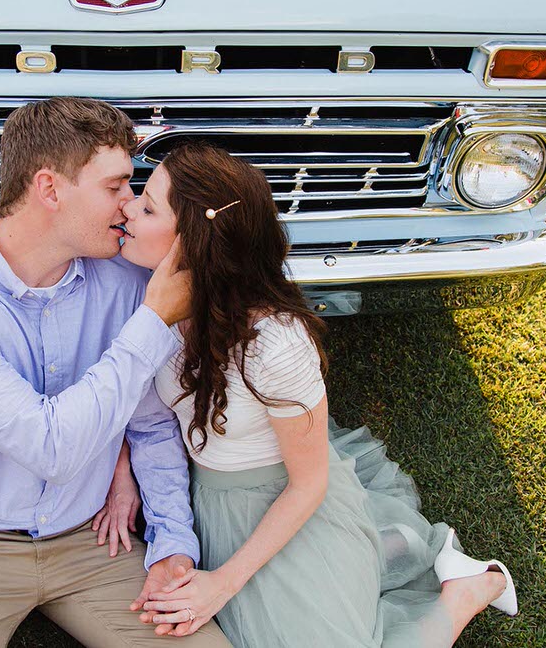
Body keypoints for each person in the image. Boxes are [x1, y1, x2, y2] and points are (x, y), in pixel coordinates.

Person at [110, 142, 517, 647]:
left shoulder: (275, 344)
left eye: (148, 206)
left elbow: (308, 484)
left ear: (194, 243)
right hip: (208, 503)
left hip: (284, 503)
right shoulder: (146, 295)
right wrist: (124, 472)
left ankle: (467, 589)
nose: (127, 206)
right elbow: (145, 410)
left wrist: (222, 584)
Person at [0, 98, 232, 648]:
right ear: (49, 189)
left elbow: (149, 424)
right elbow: (50, 449)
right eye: (116, 186)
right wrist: (153, 322)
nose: (129, 204)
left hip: (96, 540)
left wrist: (171, 543)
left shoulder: (124, 283)